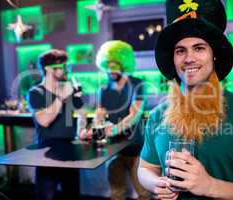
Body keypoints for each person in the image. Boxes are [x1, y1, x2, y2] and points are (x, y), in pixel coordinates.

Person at [138, 0, 233, 200]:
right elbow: (145, 169)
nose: (188, 58)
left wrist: (210, 186)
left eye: (199, 48)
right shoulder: (157, 115)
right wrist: (156, 183)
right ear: (173, 59)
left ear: (214, 55)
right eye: (180, 50)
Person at [79, 40, 151, 200]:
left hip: (135, 149)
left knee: (144, 193)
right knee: (116, 194)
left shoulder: (138, 84)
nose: (112, 69)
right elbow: (99, 115)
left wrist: (114, 129)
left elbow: (135, 114)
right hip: (112, 150)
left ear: (123, 64)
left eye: (115, 65)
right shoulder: (103, 89)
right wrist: (92, 129)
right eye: (109, 65)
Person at [27, 49, 89, 200]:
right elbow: (44, 121)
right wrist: (61, 97)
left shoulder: (68, 89)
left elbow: (82, 113)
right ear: (49, 69)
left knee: (72, 195)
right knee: (45, 196)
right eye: (63, 66)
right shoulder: (36, 92)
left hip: (70, 152)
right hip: (46, 154)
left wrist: (81, 130)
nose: (67, 70)